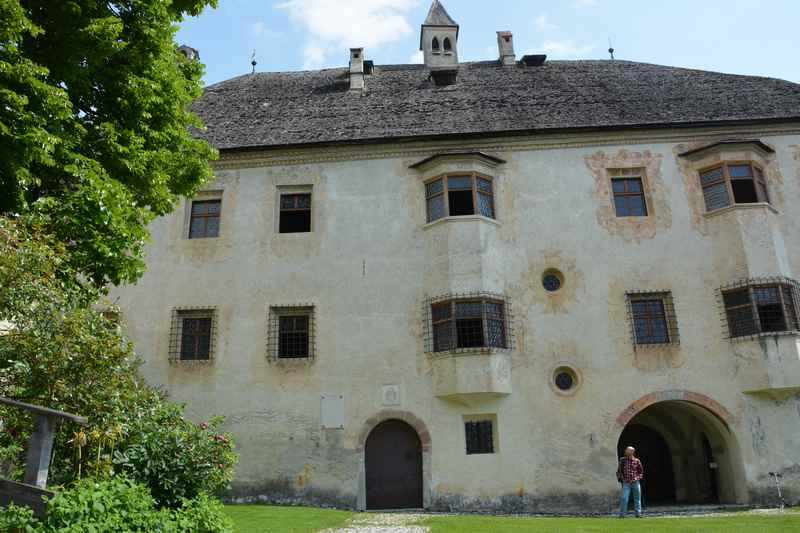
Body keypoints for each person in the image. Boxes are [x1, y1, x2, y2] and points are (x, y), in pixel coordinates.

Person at [616, 446, 644, 518]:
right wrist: (622, 479)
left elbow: (641, 472)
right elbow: (619, 471)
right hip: (626, 482)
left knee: (637, 498)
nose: (627, 452)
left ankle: (638, 514)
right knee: (624, 498)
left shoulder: (637, 461)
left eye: (629, 451)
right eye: (626, 450)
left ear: (632, 452)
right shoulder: (622, 460)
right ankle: (622, 515)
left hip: (635, 482)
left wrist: (636, 478)